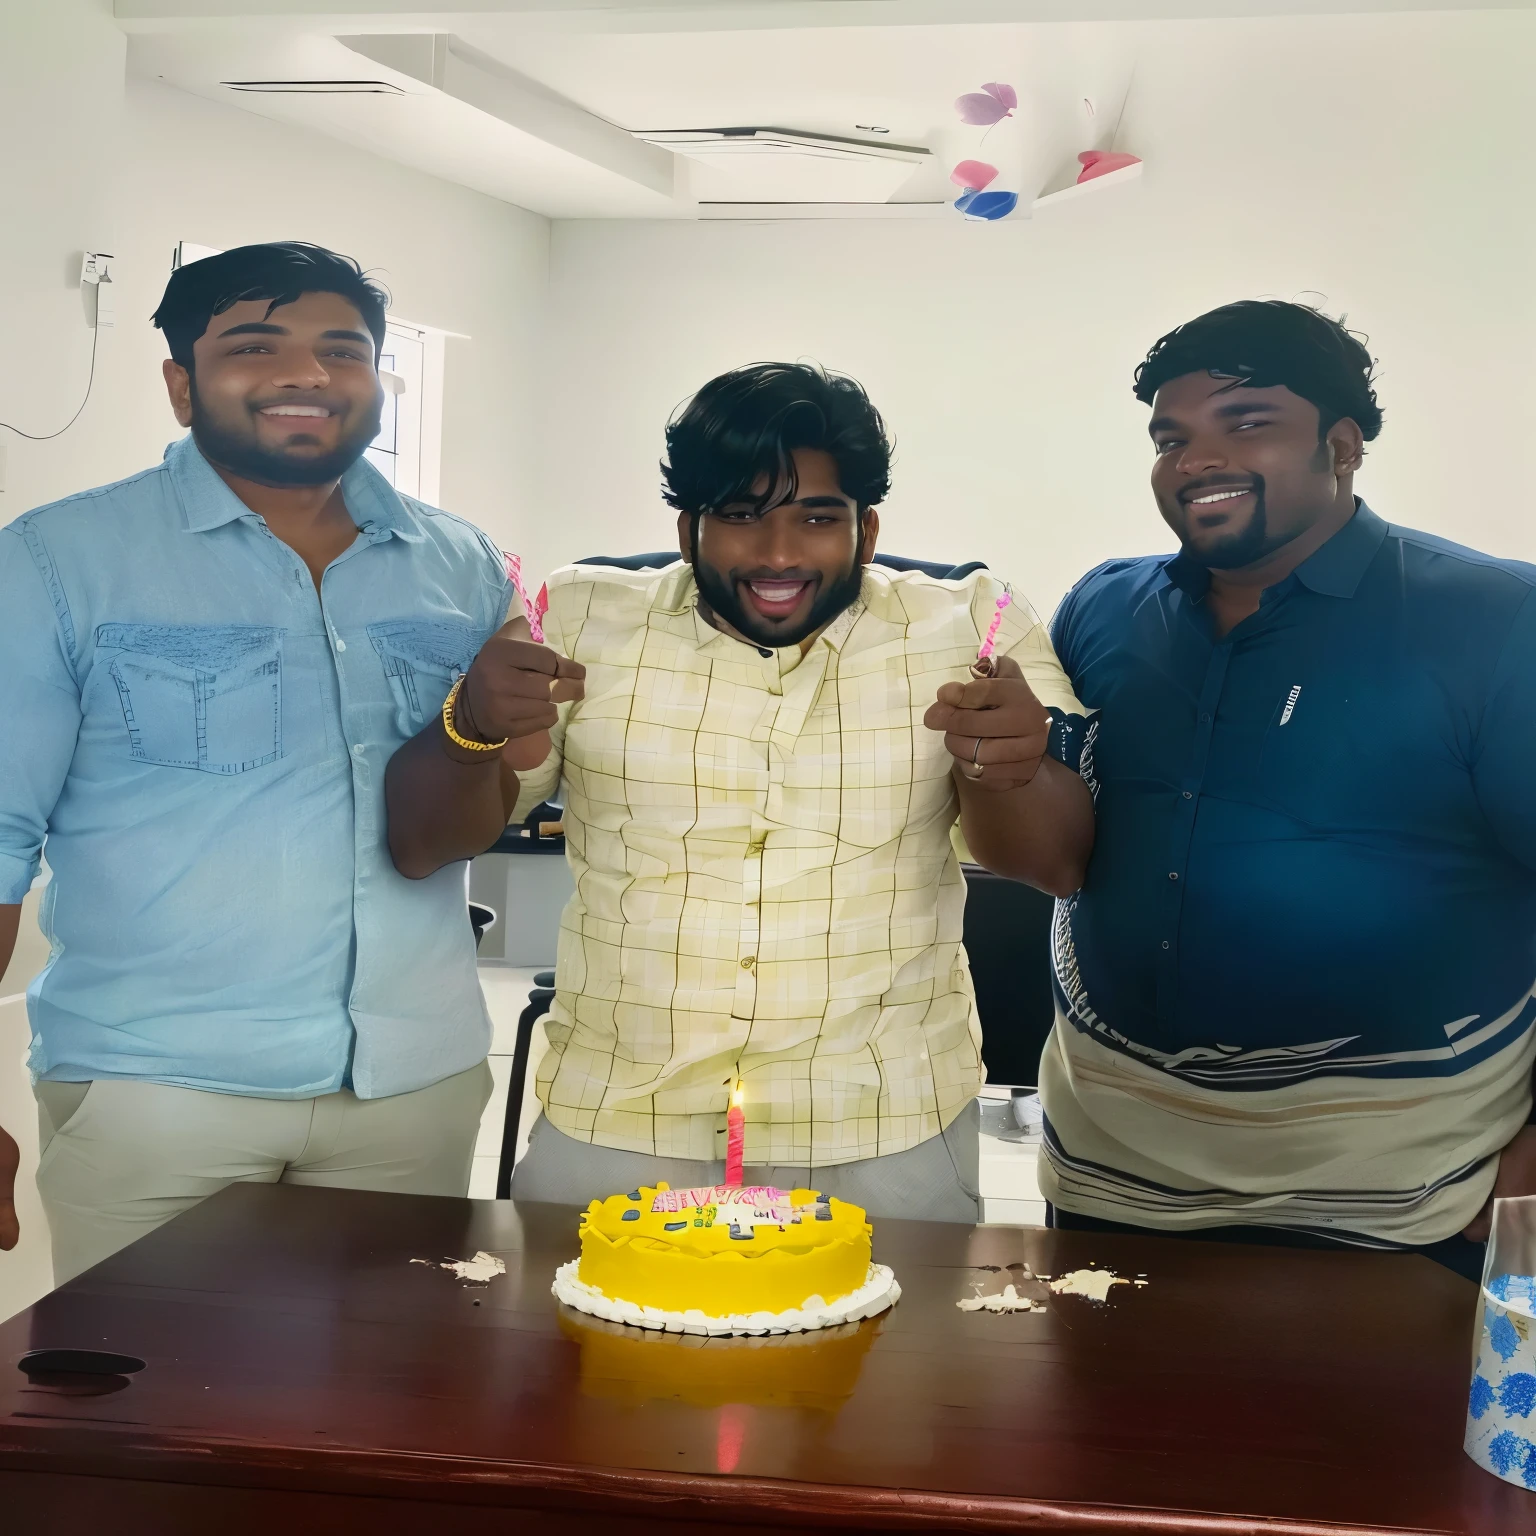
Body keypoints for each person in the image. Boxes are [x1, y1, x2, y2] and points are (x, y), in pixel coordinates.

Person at [387, 362, 1094, 1220]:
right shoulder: (573, 616)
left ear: (867, 532)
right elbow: (426, 844)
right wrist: (472, 728)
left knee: (894, 1358)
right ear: (689, 528)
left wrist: (1008, 767)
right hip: (620, 1112)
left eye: (817, 518)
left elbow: (1057, 865)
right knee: (586, 1353)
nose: (779, 554)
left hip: (882, 1121)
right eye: (741, 516)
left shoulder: (972, 626)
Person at [0, 242, 516, 1282]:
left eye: (344, 349)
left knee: (388, 1418)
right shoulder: (56, 560)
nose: (306, 375)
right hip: (159, 1090)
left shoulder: (461, 565)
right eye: (254, 344)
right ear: (180, 383)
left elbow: (464, 817)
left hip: (413, 1088)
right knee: (153, 1424)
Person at [1042, 300, 1536, 1279]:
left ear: (1343, 446)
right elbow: (1060, 851)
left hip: (1405, 1187)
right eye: (1170, 437)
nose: (1196, 459)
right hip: (1107, 1172)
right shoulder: (1103, 607)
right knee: (1107, 1434)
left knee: (1372, 1439)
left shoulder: (1495, 620)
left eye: (1248, 422)